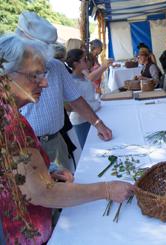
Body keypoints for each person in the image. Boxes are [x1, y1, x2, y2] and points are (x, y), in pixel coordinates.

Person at [0, 33, 134, 245]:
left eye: (43, 74)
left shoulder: (9, 112)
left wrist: (48, 171)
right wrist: (106, 189)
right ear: (5, 76)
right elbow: (40, 192)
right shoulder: (7, 122)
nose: (44, 83)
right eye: (34, 75)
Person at [16, 11, 112, 172]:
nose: (44, 83)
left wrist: (98, 124)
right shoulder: (10, 71)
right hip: (26, 146)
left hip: (56, 140)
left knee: (68, 181)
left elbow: (76, 99)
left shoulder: (56, 66)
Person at [66, 49, 101, 148]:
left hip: (91, 116)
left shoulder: (84, 76)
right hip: (81, 121)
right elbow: (72, 106)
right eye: (84, 59)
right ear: (76, 63)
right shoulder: (72, 82)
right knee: (87, 149)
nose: (88, 61)